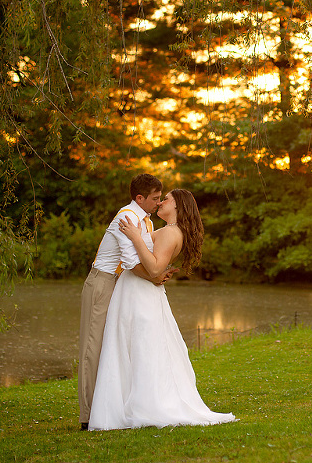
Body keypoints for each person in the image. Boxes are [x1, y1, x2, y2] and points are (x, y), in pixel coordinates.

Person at [87, 189, 236, 430]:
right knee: (136, 345)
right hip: (138, 291)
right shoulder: (169, 230)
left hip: (139, 293)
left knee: (139, 346)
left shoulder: (169, 232)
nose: (161, 202)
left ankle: (137, 404)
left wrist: (135, 237)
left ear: (178, 206)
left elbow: (155, 268)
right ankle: (126, 401)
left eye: (166, 199)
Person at [78, 174, 176, 431]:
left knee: (116, 346)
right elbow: (132, 262)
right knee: (93, 348)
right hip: (103, 283)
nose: (158, 203)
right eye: (155, 198)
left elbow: (145, 258)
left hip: (122, 286)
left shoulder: (147, 222)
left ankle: (115, 407)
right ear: (139, 198)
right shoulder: (126, 218)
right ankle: (88, 415)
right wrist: (155, 277)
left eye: (160, 198)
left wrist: (159, 272)